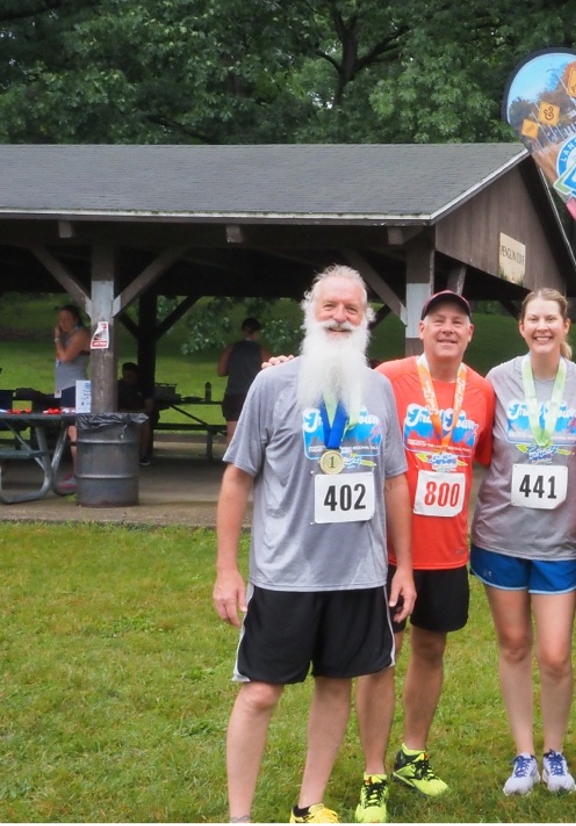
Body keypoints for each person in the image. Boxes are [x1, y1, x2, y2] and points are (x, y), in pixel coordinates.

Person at [212, 265, 415, 824]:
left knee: (336, 687)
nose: (340, 317)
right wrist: (227, 570)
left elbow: (395, 479)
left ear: (366, 319)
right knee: (261, 694)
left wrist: (405, 569)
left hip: (359, 573)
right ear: (310, 312)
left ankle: (309, 804)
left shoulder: (378, 389)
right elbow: (236, 478)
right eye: (330, 306)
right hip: (285, 574)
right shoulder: (273, 385)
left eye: (352, 309)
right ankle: (239, 817)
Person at [352, 289, 494, 822]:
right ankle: (373, 773)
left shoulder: (480, 391)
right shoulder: (387, 377)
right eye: (439, 321)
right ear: (421, 327)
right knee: (379, 655)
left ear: (469, 333)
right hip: (386, 549)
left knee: (431, 652)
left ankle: (412, 753)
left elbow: (480, 457)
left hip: (448, 551)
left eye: (459, 321)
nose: (448, 329)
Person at [469, 288, 576, 796]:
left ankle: (555, 751)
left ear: (566, 326)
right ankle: (524, 754)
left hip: (560, 541)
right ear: (522, 327)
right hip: (501, 535)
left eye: (552, 318)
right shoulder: (497, 380)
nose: (542, 326)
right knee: (514, 645)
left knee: (556, 654)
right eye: (533, 319)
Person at [218, 317, 271, 445]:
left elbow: (221, 371)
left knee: (232, 434)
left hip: (233, 395)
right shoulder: (261, 351)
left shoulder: (231, 348)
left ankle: (231, 463)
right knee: (253, 435)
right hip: (253, 397)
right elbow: (271, 373)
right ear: (257, 332)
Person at [53, 303, 90, 487]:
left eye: (67, 319)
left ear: (76, 319)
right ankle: (77, 470)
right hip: (65, 388)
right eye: (61, 320)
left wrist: (57, 339)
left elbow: (66, 357)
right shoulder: (68, 336)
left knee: (76, 432)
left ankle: (80, 473)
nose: (63, 323)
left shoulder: (81, 334)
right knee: (71, 431)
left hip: (75, 387)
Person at [116, 361, 157, 464]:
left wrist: (131, 412)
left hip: (139, 414)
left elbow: (148, 408)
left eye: (130, 377)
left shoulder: (144, 387)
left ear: (136, 376)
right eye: (125, 376)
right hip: (120, 414)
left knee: (144, 423)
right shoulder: (118, 386)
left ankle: (142, 454)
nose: (127, 380)